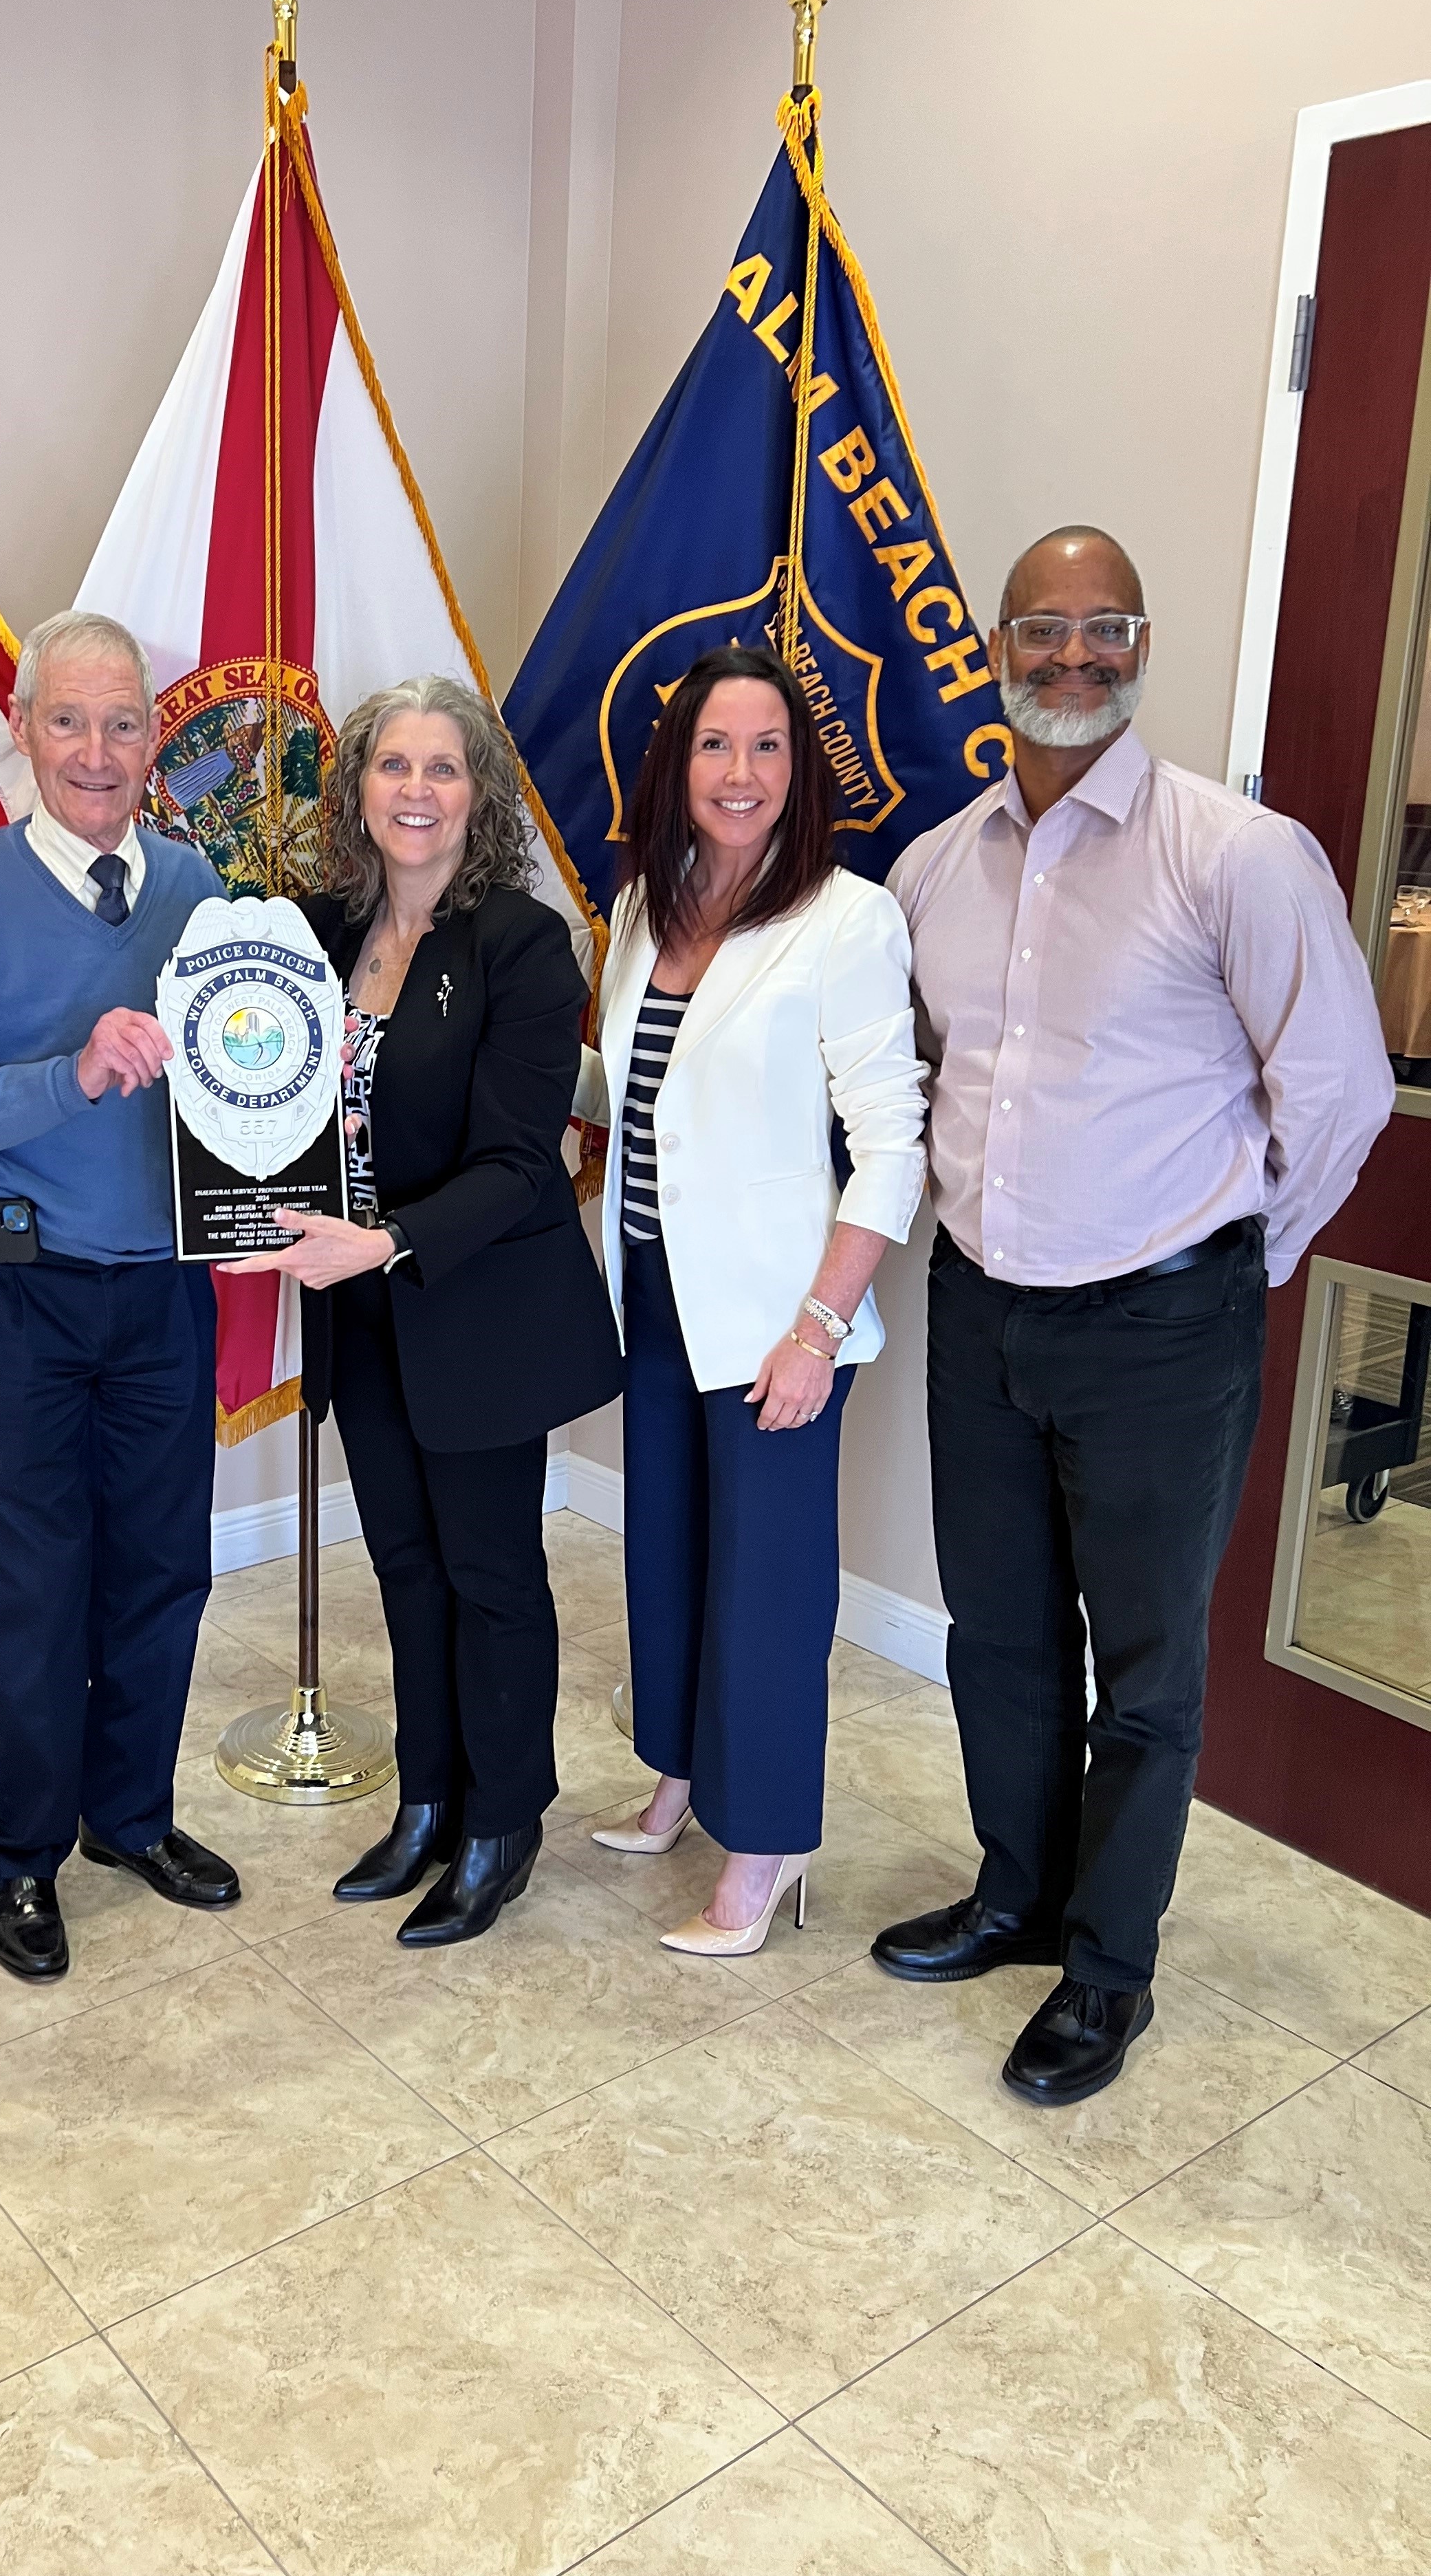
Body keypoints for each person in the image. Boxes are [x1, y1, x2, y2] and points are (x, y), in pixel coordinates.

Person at [873, 524, 1394, 2104]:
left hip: (1164, 1328)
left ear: (1144, 646)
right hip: (982, 1315)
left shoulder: (1234, 855)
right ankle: (1017, 1894)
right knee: (1002, 1636)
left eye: (1111, 630)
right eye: (1047, 628)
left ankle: (1109, 1970)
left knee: (1147, 1667)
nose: (1077, 657)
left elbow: (1344, 1092)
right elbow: (929, 1081)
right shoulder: (934, 869)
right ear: (997, 641)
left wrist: (1229, 1260)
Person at [0, 609, 239, 1985]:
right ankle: (22, 1850)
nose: (98, 749)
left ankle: (130, 1817)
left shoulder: (203, 893)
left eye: (125, 721)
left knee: (162, 1575)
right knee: (31, 1589)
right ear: (23, 732)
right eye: (70, 721)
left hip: (160, 1292)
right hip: (9, 1291)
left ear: (157, 739)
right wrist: (67, 1076)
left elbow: (238, 1084)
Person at [224, 675, 621, 1945]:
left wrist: (383, 1241)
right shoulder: (319, 932)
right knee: (403, 1566)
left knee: (490, 1571)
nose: (415, 790)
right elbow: (263, 1089)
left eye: (441, 769)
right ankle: (431, 1799)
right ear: (356, 790)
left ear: (477, 795)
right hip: (362, 1315)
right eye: (393, 766)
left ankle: (505, 1819)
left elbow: (520, 1163)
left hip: (477, 1308)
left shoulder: (518, 941)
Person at [582, 644, 927, 1956]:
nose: (742, 774)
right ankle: (679, 1779)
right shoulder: (641, 908)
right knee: (665, 1552)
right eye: (717, 746)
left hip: (783, 1322)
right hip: (658, 1294)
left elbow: (895, 1142)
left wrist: (818, 1331)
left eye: (769, 747)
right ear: (678, 766)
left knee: (769, 1588)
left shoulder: (848, 918)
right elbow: (636, 1099)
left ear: (800, 768)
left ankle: (768, 1847)